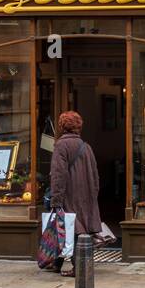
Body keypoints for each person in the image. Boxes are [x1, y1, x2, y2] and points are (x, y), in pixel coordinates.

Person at [49, 111, 101, 277]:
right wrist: (94, 193)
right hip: (86, 194)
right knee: (74, 227)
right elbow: (95, 173)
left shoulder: (61, 146)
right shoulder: (86, 147)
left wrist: (56, 199)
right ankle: (56, 262)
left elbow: (58, 174)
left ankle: (78, 267)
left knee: (71, 228)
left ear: (62, 126)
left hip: (69, 193)